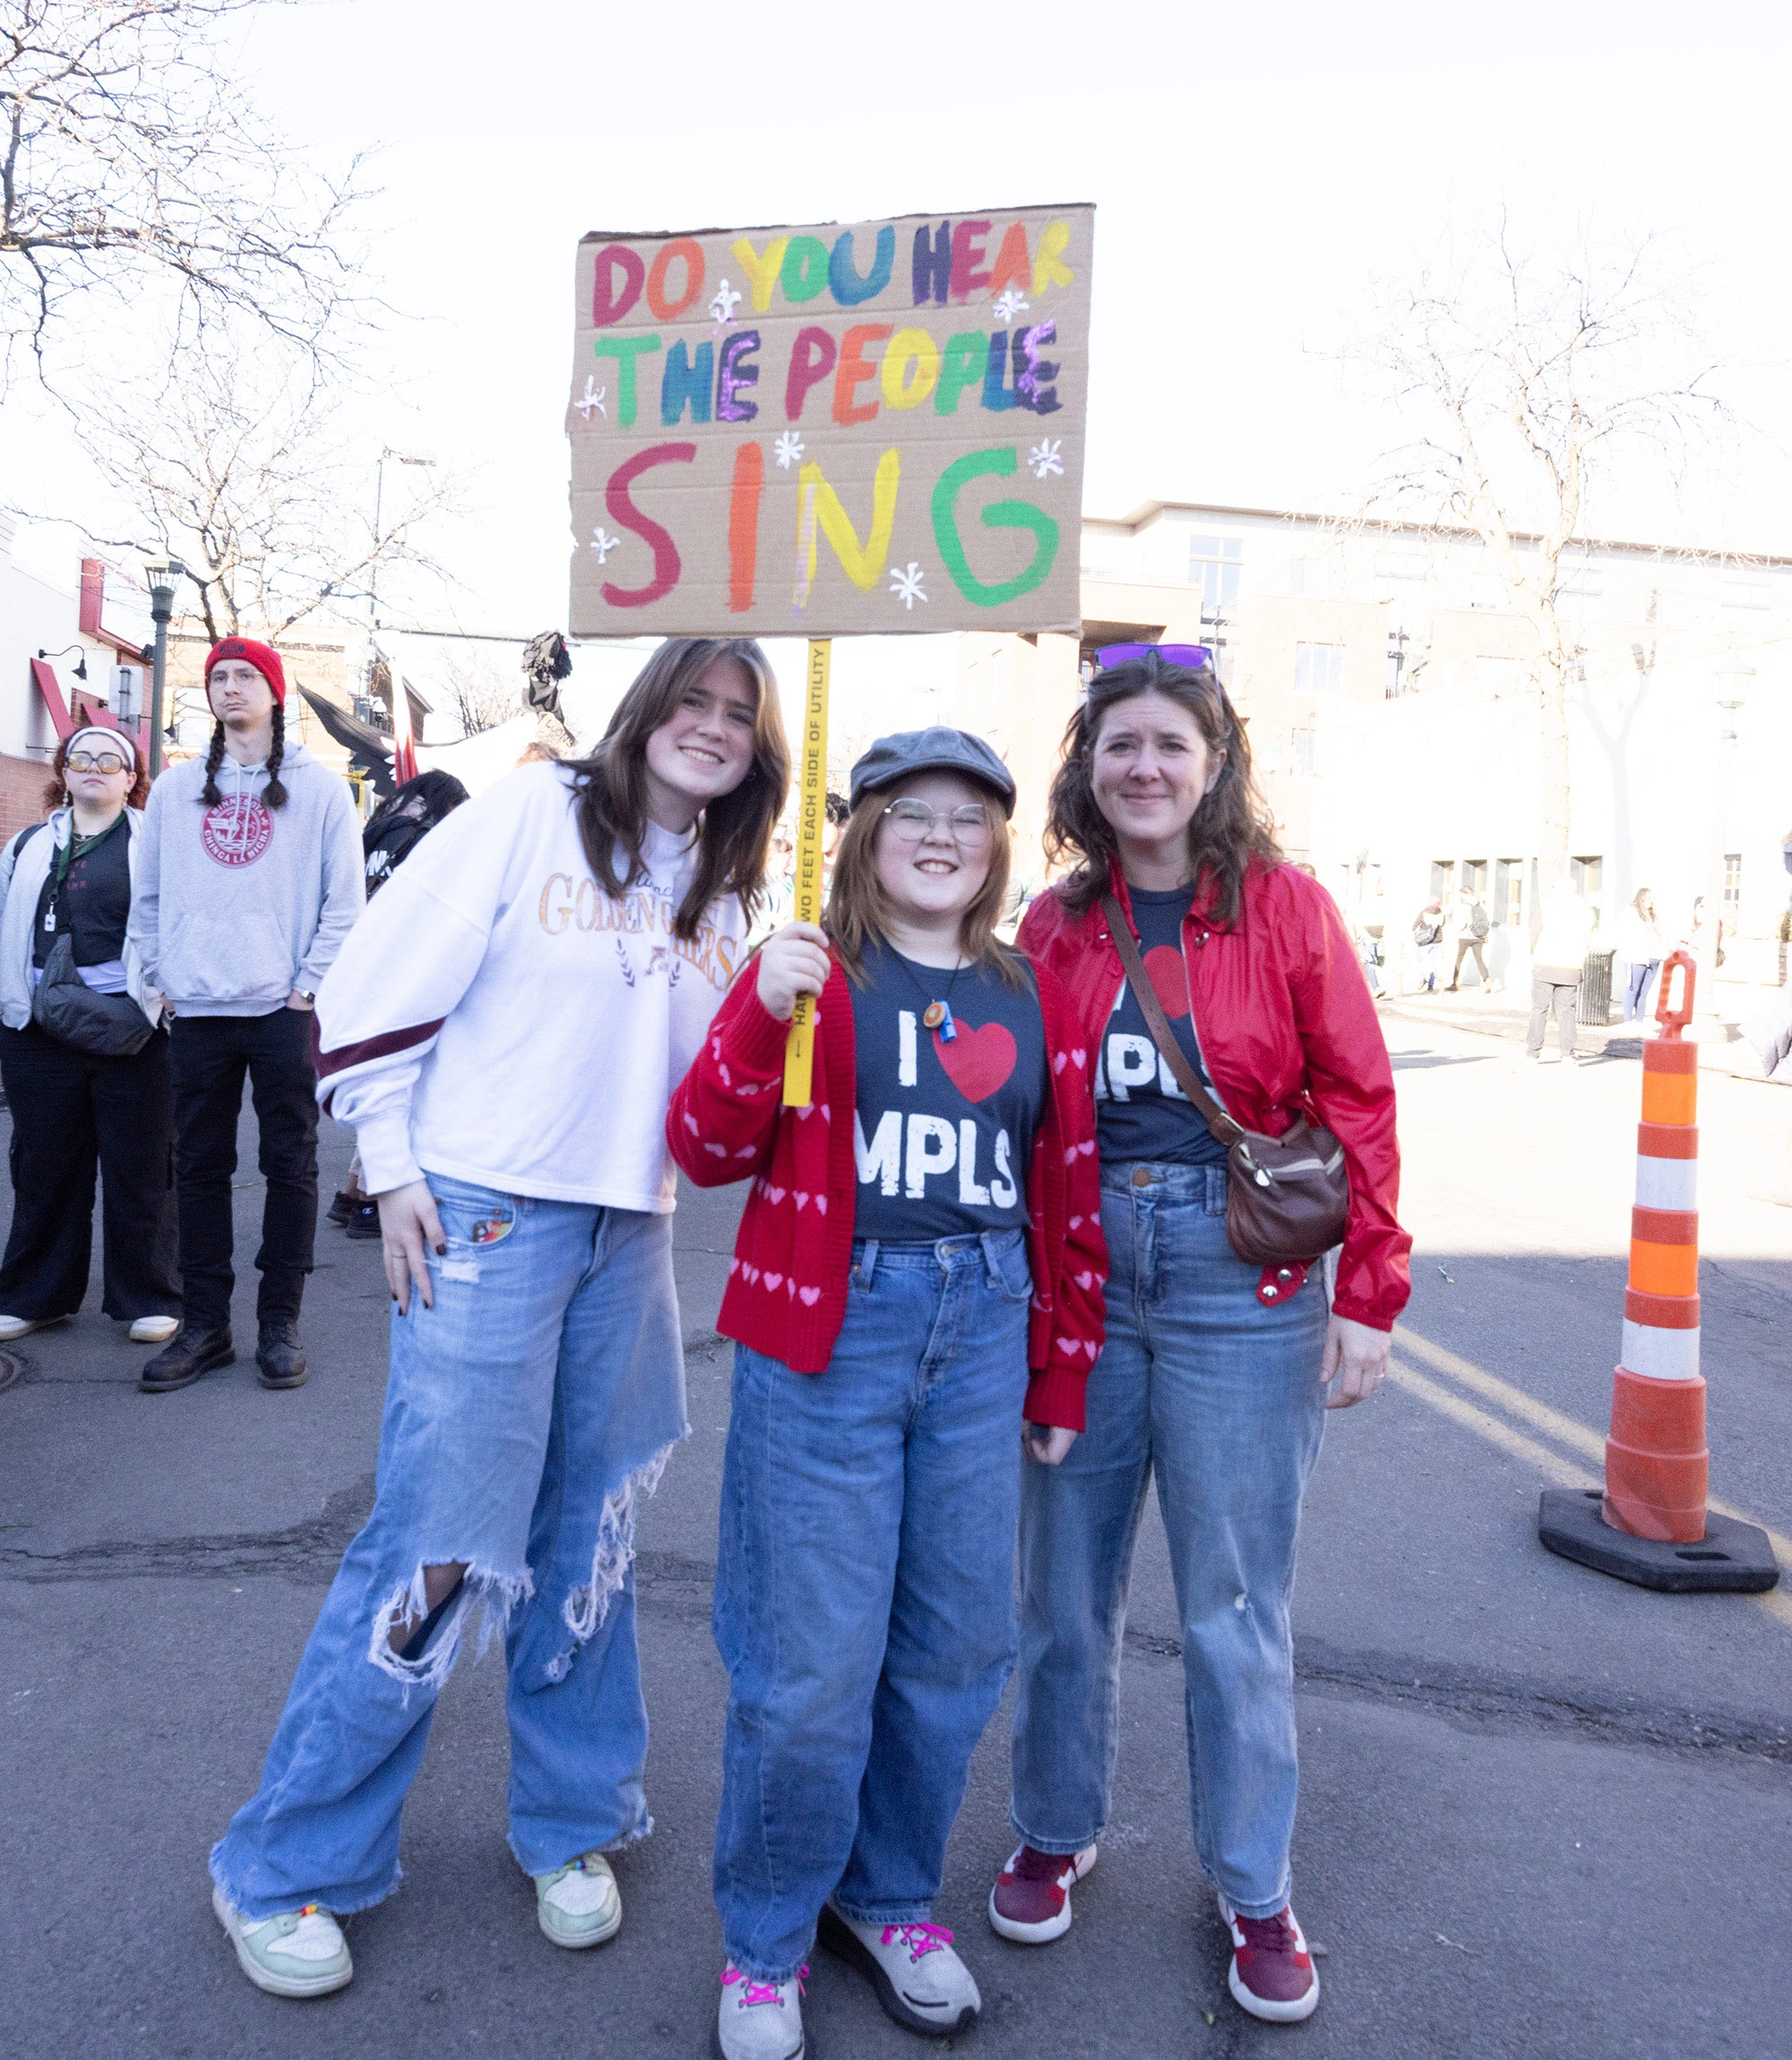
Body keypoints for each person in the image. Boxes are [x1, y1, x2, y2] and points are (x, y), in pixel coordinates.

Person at [208, 637, 788, 2002]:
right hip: (483, 1213)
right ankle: (287, 1857)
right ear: (646, 707)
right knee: (441, 1545)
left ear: (761, 751)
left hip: (625, 1228)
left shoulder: (724, 886)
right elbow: (378, 979)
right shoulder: (533, 812)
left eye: (738, 717)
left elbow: (713, 1101)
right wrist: (393, 1160)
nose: (709, 727)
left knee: (586, 1533)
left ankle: (574, 1820)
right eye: (692, 700)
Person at [668, 727, 1106, 2060]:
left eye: (968, 814)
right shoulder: (812, 976)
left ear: (997, 845)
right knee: (809, 1665)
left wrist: (1061, 1367)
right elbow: (702, 1143)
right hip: (832, 1329)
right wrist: (757, 1005)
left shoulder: (1027, 993)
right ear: (861, 832)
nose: (939, 834)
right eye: (909, 809)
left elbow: (1064, 1196)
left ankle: (888, 1891)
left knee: (954, 1646)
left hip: (983, 1335)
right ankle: (767, 1936)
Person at [987, 648, 1409, 2026]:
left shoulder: (1286, 911)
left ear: (1215, 763)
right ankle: (1057, 1823)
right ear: (1088, 769)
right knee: (1063, 1585)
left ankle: (1253, 1881)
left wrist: (1371, 1290)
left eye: (1171, 743)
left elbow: (1357, 1094)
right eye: (1121, 746)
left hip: (1246, 1282)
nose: (1146, 767)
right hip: (1088, 1272)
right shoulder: (1054, 927)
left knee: (1235, 1604)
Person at [127, 637, 365, 1393]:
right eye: (219, 677)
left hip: (278, 1007)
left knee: (289, 1165)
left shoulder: (319, 791)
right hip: (195, 1007)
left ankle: (279, 1322)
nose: (230, 688)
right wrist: (157, 983)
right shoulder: (172, 791)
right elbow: (149, 897)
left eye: (245, 676)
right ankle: (205, 1326)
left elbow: (345, 902)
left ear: (274, 690)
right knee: (196, 1169)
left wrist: (307, 988)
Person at [0, 728, 181, 1344]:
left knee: (141, 1163)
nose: (96, 768)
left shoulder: (154, 844)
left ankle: (151, 1295)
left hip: (131, 1025)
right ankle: (36, 1294)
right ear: (64, 772)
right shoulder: (27, 844)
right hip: (38, 1027)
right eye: (83, 758)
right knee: (43, 1162)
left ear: (132, 778)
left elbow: (177, 917)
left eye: (112, 760)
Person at [326, 771, 470, 1241]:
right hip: (406, 972)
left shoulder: (375, 837)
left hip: (362, 968)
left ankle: (350, 1196)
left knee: (383, 1079)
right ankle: (371, 1202)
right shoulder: (428, 844)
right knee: (403, 1088)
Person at [1526, 896, 1597, 1063]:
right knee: (1567, 1012)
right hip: (1570, 968)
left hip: (1545, 965)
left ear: (1558, 891)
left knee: (1539, 1010)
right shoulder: (1588, 912)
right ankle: (1567, 1055)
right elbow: (1588, 939)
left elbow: (1533, 934)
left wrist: (1535, 955)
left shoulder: (1547, 907)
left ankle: (1532, 1054)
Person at [1616, 887, 1664, 1023]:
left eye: (1652, 899)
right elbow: (1625, 933)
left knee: (1644, 992)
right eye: (1648, 898)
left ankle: (1640, 1020)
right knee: (1633, 989)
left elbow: (1660, 935)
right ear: (1641, 898)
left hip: (1654, 957)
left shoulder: (1653, 916)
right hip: (1637, 957)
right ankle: (1627, 1020)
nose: (1651, 901)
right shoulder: (1631, 913)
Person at [1444, 884, 1491, 990]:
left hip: (1466, 936)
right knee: (1479, 959)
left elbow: (1462, 924)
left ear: (1465, 894)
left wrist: (1456, 931)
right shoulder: (1481, 905)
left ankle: (1454, 983)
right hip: (1479, 936)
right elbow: (1488, 921)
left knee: (1459, 959)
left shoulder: (1464, 906)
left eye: (1462, 893)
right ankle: (1487, 980)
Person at [1411, 896, 1445, 990]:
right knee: (1434, 964)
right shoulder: (1441, 914)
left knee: (1418, 961)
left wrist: (1416, 932)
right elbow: (1443, 924)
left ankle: (1422, 979)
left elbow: (1415, 925)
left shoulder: (1424, 913)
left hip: (1424, 942)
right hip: (1437, 941)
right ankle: (1431, 984)